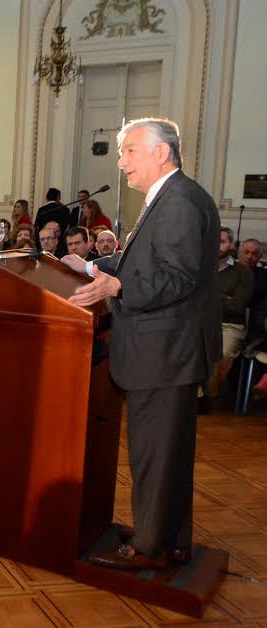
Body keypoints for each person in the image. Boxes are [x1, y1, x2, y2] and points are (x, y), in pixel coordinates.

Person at [62, 117, 220, 570]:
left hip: (164, 351)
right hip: (167, 348)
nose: (121, 161)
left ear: (161, 152)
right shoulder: (172, 196)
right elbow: (140, 259)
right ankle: (168, 538)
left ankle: (149, 548)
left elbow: (176, 276)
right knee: (167, 452)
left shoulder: (179, 202)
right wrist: (91, 267)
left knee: (154, 452)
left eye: (129, 150)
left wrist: (115, 288)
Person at [198, 226, 251, 411]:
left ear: (231, 245)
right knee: (184, 347)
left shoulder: (242, 272)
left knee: (223, 353)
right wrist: (223, 297)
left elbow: (237, 306)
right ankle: (198, 397)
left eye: (222, 241)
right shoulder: (200, 267)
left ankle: (208, 396)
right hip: (200, 322)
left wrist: (210, 294)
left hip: (229, 324)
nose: (216, 245)